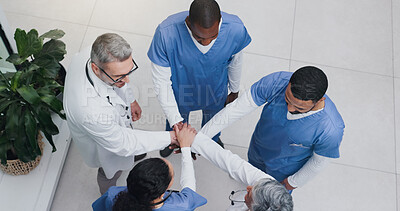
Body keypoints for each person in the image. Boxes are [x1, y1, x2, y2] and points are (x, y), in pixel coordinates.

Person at [64, 33, 178, 195]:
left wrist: (130, 101)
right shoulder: (90, 110)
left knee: (130, 141)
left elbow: (118, 80)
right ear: (96, 69)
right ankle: (108, 198)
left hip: (114, 120)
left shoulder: (94, 52)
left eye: (128, 72)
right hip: (102, 140)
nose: (127, 81)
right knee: (109, 171)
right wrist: (171, 137)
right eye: (119, 77)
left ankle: (135, 155)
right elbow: (123, 143)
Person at [201, 66, 345, 191]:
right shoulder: (277, 82)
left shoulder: (331, 129)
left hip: (283, 169)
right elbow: (235, 110)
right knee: (251, 175)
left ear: (320, 100)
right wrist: (199, 138)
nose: (289, 108)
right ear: (288, 83)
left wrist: (293, 182)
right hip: (258, 148)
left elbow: (318, 161)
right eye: (287, 100)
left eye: (299, 107)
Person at [147, 0, 252, 157]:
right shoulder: (166, 34)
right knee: (176, 121)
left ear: (221, 20)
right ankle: (172, 140)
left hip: (215, 90)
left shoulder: (235, 30)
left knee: (214, 120)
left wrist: (234, 91)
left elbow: (235, 63)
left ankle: (211, 139)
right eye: (199, 38)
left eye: (213, 36)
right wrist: (177, 123)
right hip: (181, 92)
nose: (206, 42)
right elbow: (161, 82)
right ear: (188, 23)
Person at [92, 124, 207, 211]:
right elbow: (189, 187)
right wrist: (186, 148)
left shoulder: (113, 195)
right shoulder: (179, 206)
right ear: (163, 191)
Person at [189, 132, 293, 211]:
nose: (248, 187)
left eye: (250, 195)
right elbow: (232, 163)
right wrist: (193, 140)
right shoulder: (269, 186)